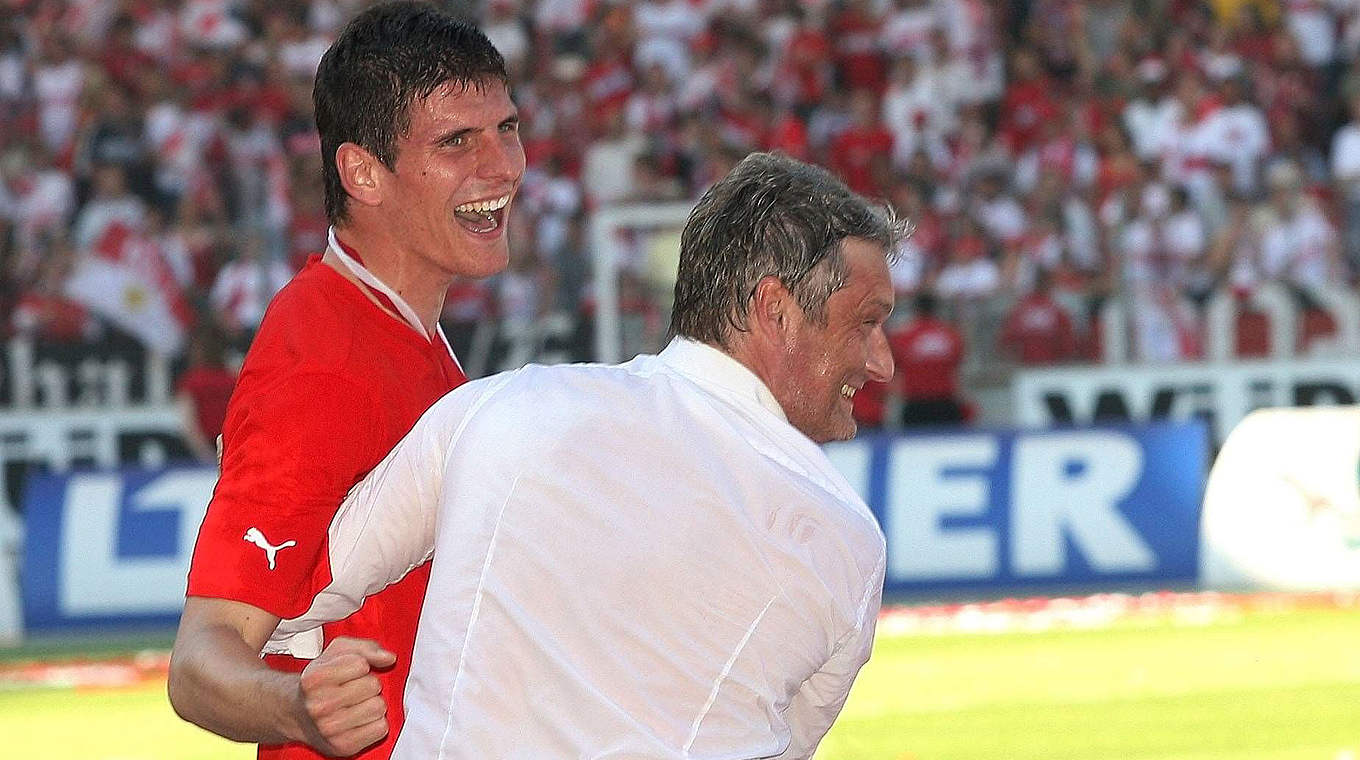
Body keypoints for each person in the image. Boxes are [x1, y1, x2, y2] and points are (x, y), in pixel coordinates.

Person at [266, 152, 900, 759]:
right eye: (866, 324)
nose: (882, 363)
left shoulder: (505, 407)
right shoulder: (844, 537)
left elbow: (290, 599)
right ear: (775, 310)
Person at [166, 4, 525, 759]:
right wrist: (297, 705)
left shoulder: (402, 329)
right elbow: (200, 661)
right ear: (363, 172)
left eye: (507, 129)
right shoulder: (321, 363)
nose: (503, 166)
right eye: (458, 140)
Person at [889, 290, 966, 426]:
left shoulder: (903, 338)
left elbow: (895, 368)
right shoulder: (950, 335)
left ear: (916, 309)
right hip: (945, 403)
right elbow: (957, 364)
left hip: (915, 404)